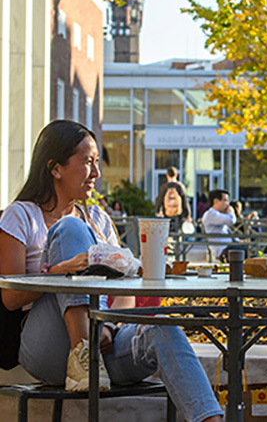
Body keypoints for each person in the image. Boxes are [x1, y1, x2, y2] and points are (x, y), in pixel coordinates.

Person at [0, 120, 223, 422]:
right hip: (48, 348)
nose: (97, 173)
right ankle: (82, 354)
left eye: (96, 162)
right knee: (70, 227)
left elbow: (124, 289)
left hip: (104, 345)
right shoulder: (21, 215)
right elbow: (10, 297)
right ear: (56, 168)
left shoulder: (100, 220)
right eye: (88, 162)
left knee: (165, 328)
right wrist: (60, 272)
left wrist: (109, 328)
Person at [201, 189, 237, 261]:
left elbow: (226, 231)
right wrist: (231, 211)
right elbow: (231, 220)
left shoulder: (218, 214)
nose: (227, 204)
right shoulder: (211, 214)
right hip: (223, 251)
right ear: (216, 201)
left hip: (229, 247)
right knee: (248, 252)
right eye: (225, 200)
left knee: (250, 249)